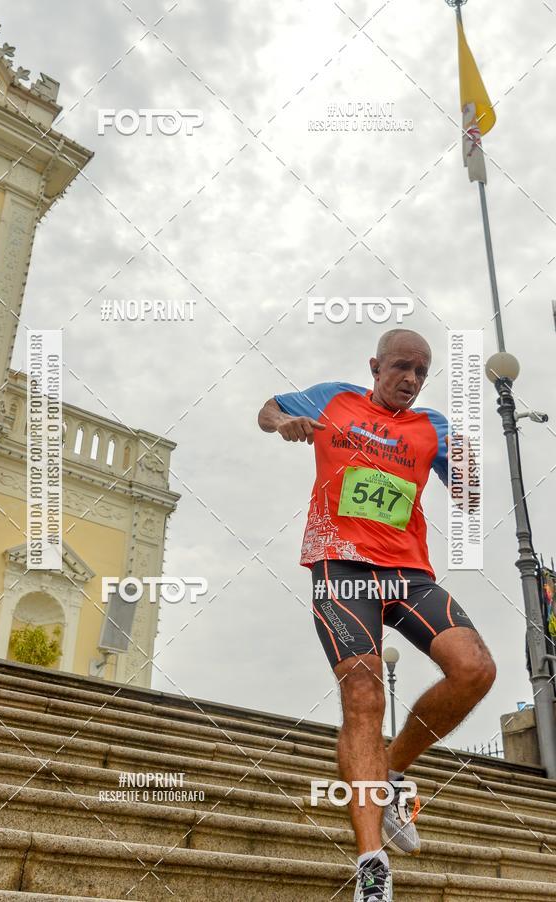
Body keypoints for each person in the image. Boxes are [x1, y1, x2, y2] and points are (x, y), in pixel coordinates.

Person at [258, 329, 496, 902]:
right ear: (375, 366)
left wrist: (466, 470)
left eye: (421, 371)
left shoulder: (431, 426)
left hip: (407, 574)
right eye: (401, 368)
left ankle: (391, 773)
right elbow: (268, 408)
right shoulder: (334, 399)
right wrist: (282, 424)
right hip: (339, 568)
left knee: (475, 668)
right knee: (363, 697)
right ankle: (372, 864)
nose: (410, 380)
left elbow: (468, 493)